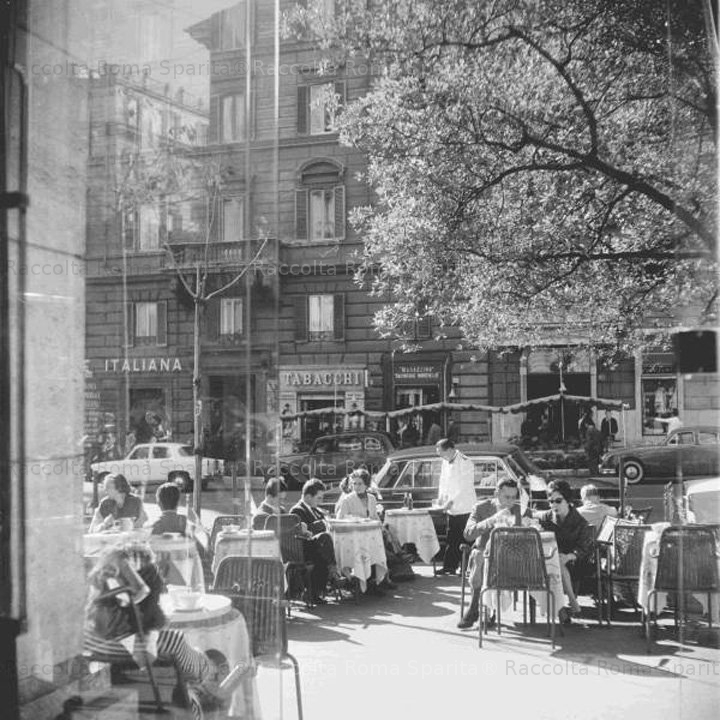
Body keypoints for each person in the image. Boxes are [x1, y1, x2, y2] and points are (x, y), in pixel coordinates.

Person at [83, 545, 249, 703]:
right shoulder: (168, 642)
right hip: (172, 713)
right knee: (217, 666)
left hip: (118, 712)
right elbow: (203, 673)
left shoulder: (90, 643)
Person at [457, 479, 530, 629]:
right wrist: (491, 520)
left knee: (486, 560)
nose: (510, 501)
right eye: (506, 497)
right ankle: (477, 606)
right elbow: (468, 534)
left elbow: (536, 523)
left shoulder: (520, 510)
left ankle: (480, 609)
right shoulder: (481, 508)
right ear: (497, 494)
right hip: (483, 553)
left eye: (513, 497)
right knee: (480, 556)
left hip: (509, 556)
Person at [535, 480, 594, 623]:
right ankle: (569, 605)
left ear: (568, 500)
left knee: (558, 563)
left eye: (558, 501)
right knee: (554, 563)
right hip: (551, 562)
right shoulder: (547, 517)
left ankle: (567, 605)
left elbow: (584, 549)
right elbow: (532, 515)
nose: (554, 505)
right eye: (551, 501)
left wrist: (568, 556)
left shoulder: (580, 522)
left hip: (575, 563)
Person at [289, 479, 340, 603]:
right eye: (318, 498)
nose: (321, 501)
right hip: (303, 548)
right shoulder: (297, 510)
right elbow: (302, 531)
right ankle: (334, 572)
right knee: (325, 540)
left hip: (316, 547)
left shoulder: (315, 510)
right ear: (307, 496)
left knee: (327, 545)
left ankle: (329, 578)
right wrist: (321, 524)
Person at [435, 438, 477, 575]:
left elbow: (464, 487)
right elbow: (443, 481)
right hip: (452, 509)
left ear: (450, 450)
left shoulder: (465, 462)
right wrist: (441, 497)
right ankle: (449, 567)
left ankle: (468, 568)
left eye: (442, 453)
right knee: (451, 538)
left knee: (467, 538)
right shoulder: (445, 461)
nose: (441, 456)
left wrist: (451, 501)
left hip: (465, 506)